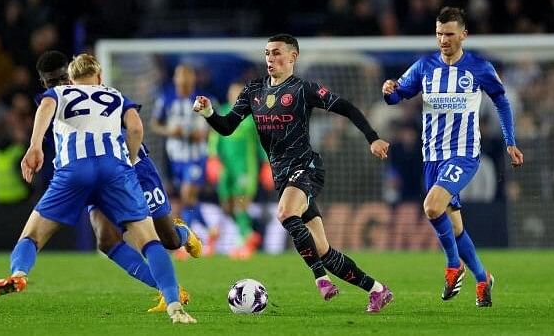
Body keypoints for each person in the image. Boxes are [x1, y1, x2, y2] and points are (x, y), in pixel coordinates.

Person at [0, 53, 196, 324]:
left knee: (32, 237)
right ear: (98, 75)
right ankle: (174, 302)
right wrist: (129, 159)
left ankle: (19, 273)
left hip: (81, 172)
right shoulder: (113, 94)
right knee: (127, 240)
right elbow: (135, 126)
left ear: (69, 76)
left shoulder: (58, 94)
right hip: (117, 169)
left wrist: (34, 145)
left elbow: (45, 108)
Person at [193, 34, 393, 313]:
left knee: (286, 214)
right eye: (267, 53)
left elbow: (345, 107)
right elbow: (227, 127)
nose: (270, 59)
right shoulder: (253, 91)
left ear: (292, 57)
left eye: (276, 53)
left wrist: (372, 138)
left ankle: (320, 279)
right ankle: (377, 290)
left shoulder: (303, 89)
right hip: (282, 176)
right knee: (324, 250)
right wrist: (209, 113)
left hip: (307, 168)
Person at [30, 50, 202, 313]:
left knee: (166, 239)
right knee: (106, 238)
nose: (61, 85)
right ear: (45, 85)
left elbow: (133, 126)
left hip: (133, 167)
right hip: (99, 176)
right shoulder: (52, 106)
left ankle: (182, 233)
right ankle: (168, 290)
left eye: (64, 77)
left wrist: (130, 159)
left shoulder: (101, 94)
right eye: (54, 83)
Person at [382, 7, 524, 307]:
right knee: (456, 227)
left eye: (449, 34)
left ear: (463, 35)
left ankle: (452, 265)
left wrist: (510, 142)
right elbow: (399, 95)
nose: (443, 39)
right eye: (439, 34)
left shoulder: (479, 67)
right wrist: (389, 91)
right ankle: (483, 278)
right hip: (432, 156)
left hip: (464, 154)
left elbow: (501, 101)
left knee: (432, 207)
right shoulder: (425, 65)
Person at [151, 64, 215, 256]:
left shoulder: (203, 100)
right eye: (182, 79)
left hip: (196, 157)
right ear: (176, 80)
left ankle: (188, 238)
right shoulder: (166, 99)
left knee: (187, 195)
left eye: (188, 79)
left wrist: (204, 134)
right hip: (175, 158)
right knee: (187, 200)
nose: (185, 83)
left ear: (193, 80)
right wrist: (170, 131)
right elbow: (155, 124)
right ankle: (208, 231)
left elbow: (215, 123)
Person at [207, 81, 267, 259]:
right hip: (226, 170)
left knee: (241, 204)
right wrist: (212, 159)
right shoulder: (222, 111)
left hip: (245, 169)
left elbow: (261, 143)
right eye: (233, 93)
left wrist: (266, 165)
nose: (235, 96)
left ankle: (245, 240)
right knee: (227, 207)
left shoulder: (253, 116)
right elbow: (213, 138)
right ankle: (246, 235)